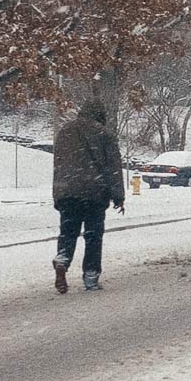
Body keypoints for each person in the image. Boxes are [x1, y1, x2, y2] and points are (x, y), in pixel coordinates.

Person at [49, 97, 125, 293]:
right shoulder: (104, 134)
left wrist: (58, 193)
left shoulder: (65, 131)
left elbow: (58, 164)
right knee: (93, 236)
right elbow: (113, 167)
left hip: (68, 192)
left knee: (68, 231)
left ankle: (63, 259)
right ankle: (91, 276)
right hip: (94, 193)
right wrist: (118, 195)